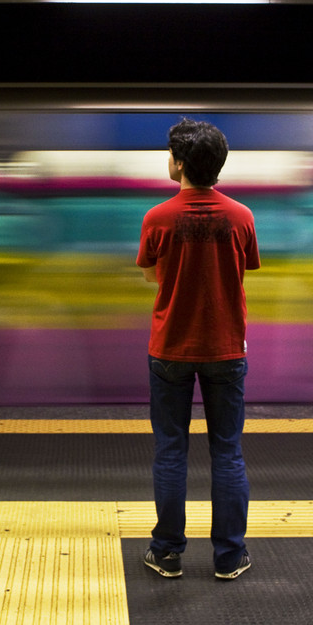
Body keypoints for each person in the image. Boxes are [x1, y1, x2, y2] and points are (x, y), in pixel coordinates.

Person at [136, 118, 260, 580]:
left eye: (170, 154)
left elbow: (153, 275)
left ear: (182, 163)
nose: (167, 161)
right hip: (227, 348)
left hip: (169, 347)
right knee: (227, 451)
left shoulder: (158, 218)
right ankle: (229, 556)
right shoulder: (242, 217)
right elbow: (242, 271)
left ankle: (166, 552)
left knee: (171, 449)